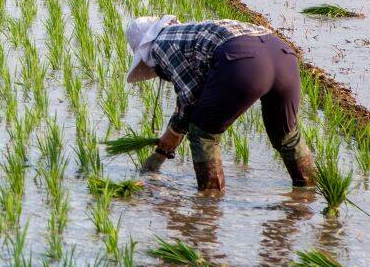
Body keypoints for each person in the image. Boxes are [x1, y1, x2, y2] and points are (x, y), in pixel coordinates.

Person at [125, 16, 314, 191]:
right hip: (283, 55)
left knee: (203, 133)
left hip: (245, 61)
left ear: (144, 49)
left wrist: (166, 144)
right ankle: (310, 192)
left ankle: (209, 203)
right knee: (286, 134)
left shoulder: (161, 45)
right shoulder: (190, 31)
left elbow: (190, 97)